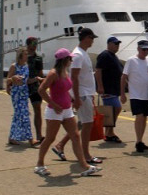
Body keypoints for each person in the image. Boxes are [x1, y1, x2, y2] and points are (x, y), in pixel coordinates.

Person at [35, 48, 102, 177]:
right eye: (70, 58)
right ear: (64, 60)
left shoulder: (65, 72)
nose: (72, 60)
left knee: (75, 136)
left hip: (66, 110)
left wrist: (72, 100)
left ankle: (85, 166)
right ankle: (39, 164)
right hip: (55, 111)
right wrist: (54, 104)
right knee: (50, 138)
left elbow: (64, 90)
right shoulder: (53, 73)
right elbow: (41, 90)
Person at [52, 28, 102, 164]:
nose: (93, 41)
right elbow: (74, 76)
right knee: (87, 124)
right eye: (92, 38)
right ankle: (86, 155)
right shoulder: (78, 55)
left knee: (81, 124)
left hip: (86, 94)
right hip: (83, 94)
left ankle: (60, 145)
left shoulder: (82, 53)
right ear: (86, 38)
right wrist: (78, 98)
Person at [121, 39, 148, 152]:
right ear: (138, 49)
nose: (145, 51)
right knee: (139, 116)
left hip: (146, 95)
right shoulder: (131, 60)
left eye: (147, 49)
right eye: (143, 49)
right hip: (135, 94)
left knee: (144, 118)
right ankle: (138, 141)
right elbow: (123, 77)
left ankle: (140, 140)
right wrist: (122, 94)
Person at [6, 47, 40, 147]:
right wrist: (13, 78)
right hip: (16, 94)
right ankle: (30, 139)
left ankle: (11, 138)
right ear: (20, 55)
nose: (27, 56)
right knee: (24, 116)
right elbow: (7, 80)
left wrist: (36, 79)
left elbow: (26, 81)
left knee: (18, 116)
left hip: (24, 94)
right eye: (25, 54)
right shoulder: (14, 66)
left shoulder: (26, 66)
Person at [94, 36, 124, 142]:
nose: (117, 46)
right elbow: (98, 70)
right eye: (115, 44)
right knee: (115, 108)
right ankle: (109, 132)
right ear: (109, 44)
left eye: (118, 44)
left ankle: (108, 132)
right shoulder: (104, 55)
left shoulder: (113, 56)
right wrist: (100, 86)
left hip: (114, 88)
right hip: (107, 88)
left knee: (112, 110)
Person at [25, 37, 45, 143]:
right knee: (23, 112)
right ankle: (20, 135)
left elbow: (40, 73)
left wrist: (43, 87)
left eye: (36, 43)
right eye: (33, 43)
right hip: (23, 87)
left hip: (35, 87)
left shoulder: (38, 58)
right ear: (28, 45)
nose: (35, 46)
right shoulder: (22, 57)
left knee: (37, 109)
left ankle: (39, 135)